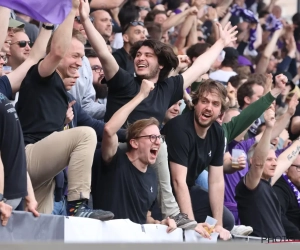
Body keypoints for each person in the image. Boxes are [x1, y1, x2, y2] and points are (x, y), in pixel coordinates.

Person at [79, 0, 237, 229]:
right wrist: (85, 18)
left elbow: (200, 67)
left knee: (157, 144)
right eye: (138, 55)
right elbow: (104, 53)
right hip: (118, 145)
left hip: (147, 151)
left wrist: (221, 42)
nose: (140, 59)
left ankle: (175, 217)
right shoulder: (124, 81)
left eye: (148, 55)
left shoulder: (167, 88)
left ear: (161, 64)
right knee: (160, 144)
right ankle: (176, 213)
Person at [15, 0, 113, 220]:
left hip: (43, 171)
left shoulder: (63, 94)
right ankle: (78, 205)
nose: (80, 63)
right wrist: (70, 10)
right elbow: (57, 51)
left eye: (82, 57)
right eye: (76, 56)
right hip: (27, 157)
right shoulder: (40, 75)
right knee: (85, 135)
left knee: (37, 225)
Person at [98, 78, 176, 233]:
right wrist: (141, 95)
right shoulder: (115, 159)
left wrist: (160, 224)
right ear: (134, 143)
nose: (158, 142)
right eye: (152, 137)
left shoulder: (152, 177)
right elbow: (109, 130)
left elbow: (144, 217)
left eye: (159, 138)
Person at [163, 80, 234, 241]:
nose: (209, 107)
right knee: (188, 228)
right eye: (204, 101)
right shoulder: (179, 128)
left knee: (226, 220)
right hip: (163, 193)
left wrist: (218, 225)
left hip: (188, 189)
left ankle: (207, 230)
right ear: (195, 104)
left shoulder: (217, 132)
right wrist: (192, 224)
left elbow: (216, 181)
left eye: (215, 104)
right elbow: (177, 180)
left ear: (220, 111)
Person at [235, 107, 300, 238]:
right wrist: (269, 128)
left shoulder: (268, 182)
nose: (275, 163)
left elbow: (286, 159)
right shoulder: (250, 184)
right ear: (252, 161)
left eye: (274, 159)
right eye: (269, 160)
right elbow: (259, 164)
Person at [273, 155, 300, 239]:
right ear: (286, 168)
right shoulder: (279, 187)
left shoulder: (297, 185)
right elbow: (277, 215)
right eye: (299, 167)